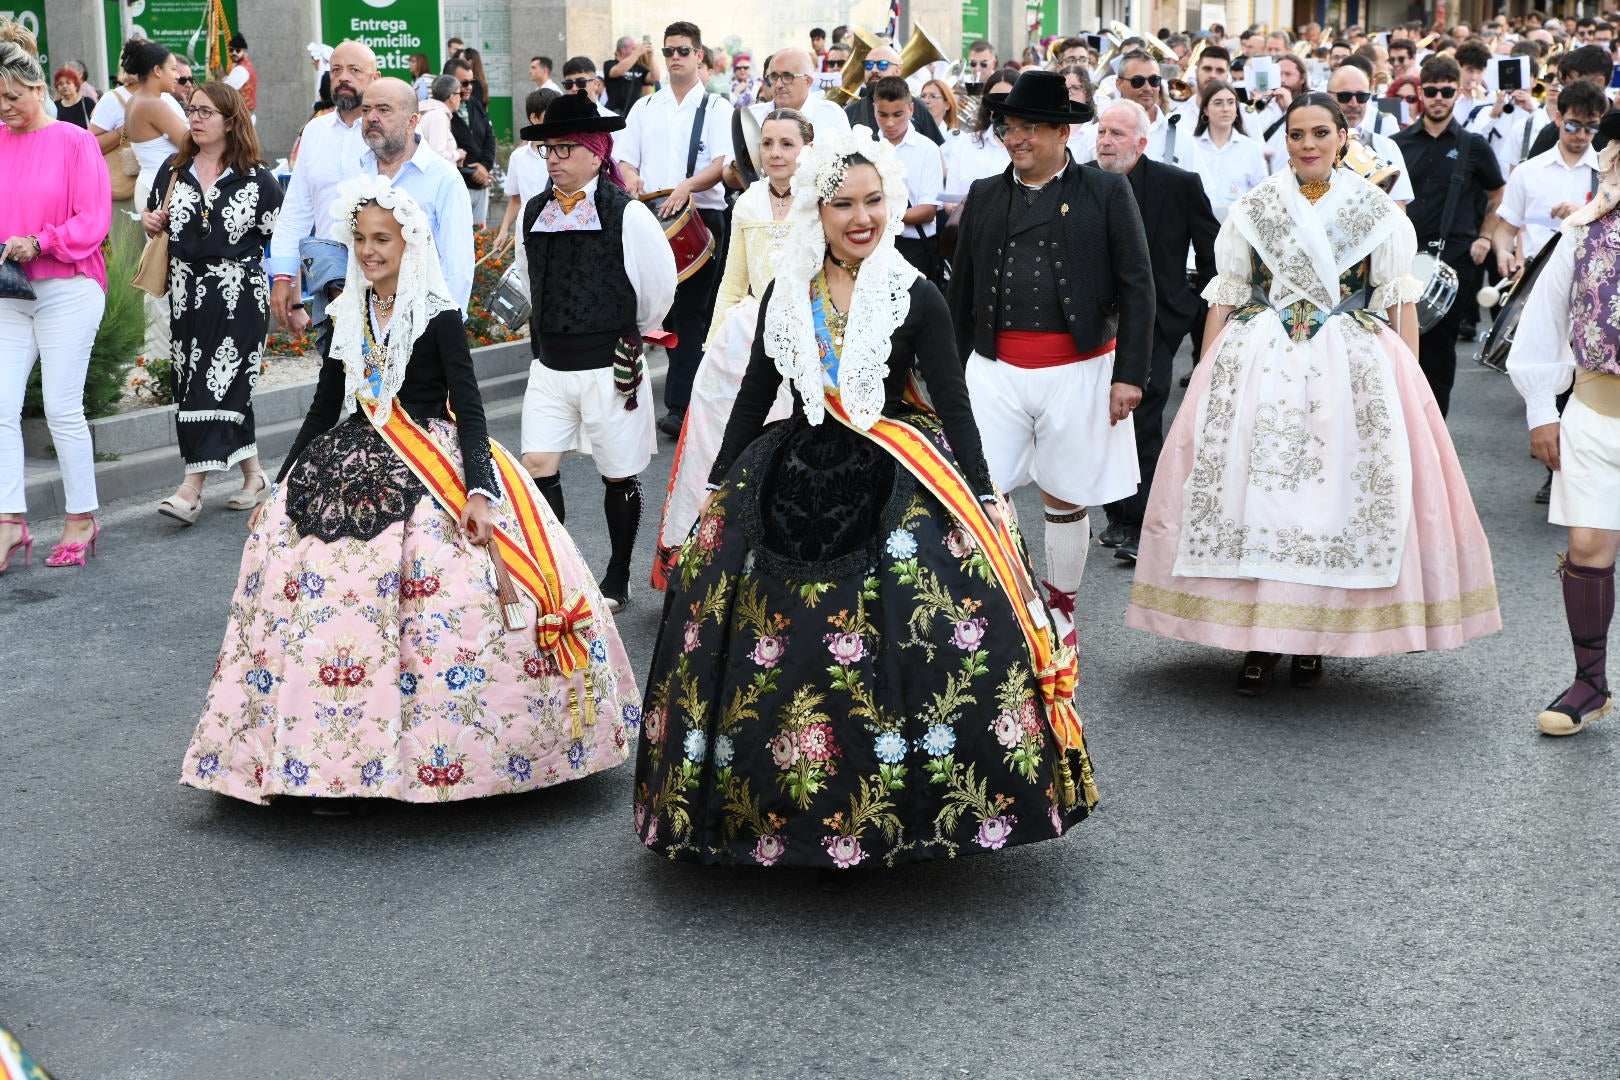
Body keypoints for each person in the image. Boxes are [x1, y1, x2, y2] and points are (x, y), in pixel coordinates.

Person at [633, 126, 1098, 870]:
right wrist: (716, 490)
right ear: (817, 212)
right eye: (843, 203)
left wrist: (984, 494)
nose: (862, 217)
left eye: (874, 201)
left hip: (898, 473)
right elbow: (756, 397)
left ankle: (904, 813)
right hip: (787, 472)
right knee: (766, 645)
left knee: (911, 639)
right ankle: (770, 814)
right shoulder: (787, 292)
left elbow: (952, 402)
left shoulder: (917, 294)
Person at [179, 179, 641, 807]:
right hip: (349, 452)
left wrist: (479, 489)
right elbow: (322, 408)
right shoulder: (346, 312)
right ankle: (314, 754)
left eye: (382, 240)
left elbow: (471, 410)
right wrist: (283, 481)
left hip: (430, 455)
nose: (369, 252)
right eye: (361, 240)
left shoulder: (438, 313)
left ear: (407, 242)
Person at [1126, 93, 1501, 693]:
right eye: (1297, 133)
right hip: (1261, 357)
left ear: (1342, 139)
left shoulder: (1376, 209)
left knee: (1334, 496)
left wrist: (1411, 380)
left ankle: (1316, 637)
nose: (1308, 144)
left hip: (1350, 359)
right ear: (1285, 141)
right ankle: (1257, 639)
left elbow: (1396, 298)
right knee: (1256, 494)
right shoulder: (1257, 206)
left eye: (1320, 133)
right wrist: (1207, 370)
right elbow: (1228, 291)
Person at [949, 71, 1152, 648]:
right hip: (995, 369)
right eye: (1009, 127)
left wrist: (1129, 375)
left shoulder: (1107, 192)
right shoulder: (985, 194)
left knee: (1064, 494)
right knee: (982, 492)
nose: (1015, 138)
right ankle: (1004, 603)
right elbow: (961, 292)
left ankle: (1061, 610)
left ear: (1063, 132)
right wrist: (953, 374)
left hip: (1080, 368)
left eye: (1028, 128)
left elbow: (1138, 286)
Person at [517, 93, 677, 612]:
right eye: (548, 149)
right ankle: (556, 571)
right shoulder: (535, 211)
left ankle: (616, 577)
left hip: (610, 365)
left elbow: (658, 287)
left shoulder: (626, 214)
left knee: (617, 473)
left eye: (565, 148)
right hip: (549, 364)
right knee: (537, 463)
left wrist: (633, 333)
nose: (555, 158)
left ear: (594, 150)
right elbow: (526, 276)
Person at [652, 107, 809, 588]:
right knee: (722, 447)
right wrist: (712, 347)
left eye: (787, 144)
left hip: (808, 336)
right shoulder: (747, 203)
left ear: (807, 148)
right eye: (768, 144)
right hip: (747, 338)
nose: (776, 153)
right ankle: (716, 563)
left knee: (793, 452)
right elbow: (732, 282)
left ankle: (787, 562)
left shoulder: (821, 199)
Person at [1507, 111, 1620, 736]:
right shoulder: (1583, 232)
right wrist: (1540, 411)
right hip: (1597, 413)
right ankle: (1590, 683)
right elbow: (1543, 322)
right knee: (1587, 549)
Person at [142, 81, 282, 525]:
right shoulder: (173, 168)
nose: (195, 118)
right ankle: (255, 476)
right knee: (202, 385)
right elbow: (154, 217)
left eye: (205, 111)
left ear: (230, 120)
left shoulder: (258, 178)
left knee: (214, 384)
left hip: (239, 295)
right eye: (192, 110)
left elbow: (281, 236)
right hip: (185, 297)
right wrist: (151, 222)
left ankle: (191, 488)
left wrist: (289, 293)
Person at [0, 41, 111, 573]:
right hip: (8, 292)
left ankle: (81, 516)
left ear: (39, 89)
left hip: (68, 285)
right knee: (0, 409)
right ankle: (9, 522)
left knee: (63, 408)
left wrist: (39, 242)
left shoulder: (73, 140)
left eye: (12, 96)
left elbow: (93, 221)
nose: (4, 106)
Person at [1092, 100, 1218, 564]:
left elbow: (1213, 255)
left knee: (1142, 420)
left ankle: (1140, 524)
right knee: (1100, 419)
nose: (1106, 141)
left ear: (1142, 143)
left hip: (1156, 323)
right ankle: (1118, 515)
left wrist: (1187, 309)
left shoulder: (1178, 185)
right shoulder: (1079, 179)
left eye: (1117, 134)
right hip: (1091, 327)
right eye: (1102, 131)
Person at [617, 20, 734, 440]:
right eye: (669, 52)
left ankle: (681, 405)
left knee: (691, 315)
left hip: (701, 219)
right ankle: (630, 400)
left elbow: (723, 163)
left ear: (700, 56)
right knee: (644, 312)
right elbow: (625, 157)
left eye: (684, 51)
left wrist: (686, 186)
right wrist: (630, 177)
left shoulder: (718, 108)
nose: (676, 58)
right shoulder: (645, 108)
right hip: (652, 221)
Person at [1392, 55, 1506, 417]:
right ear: (1421, 92)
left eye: (1446, 91)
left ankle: (1434, 434)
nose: (1438, 97)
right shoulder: (1397, 144)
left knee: (1440, 358)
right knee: (1397, 353)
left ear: (1458, 92)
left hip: (1453, 266)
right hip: (1401, 264)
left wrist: (1485, 237)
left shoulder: (1474, 146)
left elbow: (1498, 194)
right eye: (1431, 90)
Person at [269, 40, 377, 340]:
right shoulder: (315, 132)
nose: (343, 77)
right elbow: (297, 210)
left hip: (385, 283)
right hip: (330, 285)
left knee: (389, 382)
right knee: (334, 377)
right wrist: (283, 277)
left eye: (355, 70)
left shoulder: (390, 132)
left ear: (375, 78)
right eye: (337, 70)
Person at [355, 79, 474, 310]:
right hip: (363, 325)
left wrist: (446, 327)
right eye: (366, 110)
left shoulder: (443, 178)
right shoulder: (357, 172)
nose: (371, 118)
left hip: (423, 324)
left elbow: (457, 266)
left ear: (412, 122)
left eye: (383, 110)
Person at [871, 76, 943, 278]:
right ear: (874, 109)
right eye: (882, 115)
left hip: (915, 247)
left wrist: (879, 216)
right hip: (874, 245)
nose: (890, 123)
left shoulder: (928, 149)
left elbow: (928, 211)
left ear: (911, 110)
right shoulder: (866, 146)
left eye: (898, 114)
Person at [1329, 58, 1414, 206]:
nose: (1353, 103)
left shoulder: (1387, 146)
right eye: (1345, 96)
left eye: (1362, 97)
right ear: (1328, 96)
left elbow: (1399, 209)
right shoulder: (1312, 143)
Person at [1191, 79, 1268, 221]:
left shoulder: (1251, 149)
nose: (1225, 108)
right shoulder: (1192, 146)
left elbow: (1263, 195)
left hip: (1238, 227)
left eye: (1231, 102)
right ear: (1206, 109)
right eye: (1218, 103)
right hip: (1199, 226)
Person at [493, 87, 559, 252]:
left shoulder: (564, 154)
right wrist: (503, 230)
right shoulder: (518, 156)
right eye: (549, 115)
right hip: (527, 235)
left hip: (558, 232)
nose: (556, 120)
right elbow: (516, 201)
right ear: (534, 118)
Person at [842, 41, 945, 144]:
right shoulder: (850, 112)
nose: (873, 69)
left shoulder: (919, 108)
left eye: (882, 64)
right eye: (868, 65)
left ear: (898, 70)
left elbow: (936, 151)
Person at [1116, 49, 1200, 169]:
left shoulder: (1183, 139)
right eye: (1138, 81)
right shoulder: (1096, 135)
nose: (1147, 87)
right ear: (1119, 84)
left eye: (1154, 80)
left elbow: (1202, 187)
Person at [943, 67, 1016, 192]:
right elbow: (950, 203)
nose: (1001, 105)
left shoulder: (1032, 145)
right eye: (995, 99)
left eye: (1008, 98)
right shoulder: (964, 144)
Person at [445, 57, 495, 228]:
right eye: (464, 83)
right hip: (456, 188)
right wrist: (471, 171)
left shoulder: (475, 103)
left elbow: (490, 137)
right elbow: (440, 153)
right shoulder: (439, 113)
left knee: (480, 240)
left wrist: (484, 167)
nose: (469, 87)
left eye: (471, 82)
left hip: (481, 186)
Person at [604, 35, 660, 115]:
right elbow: (616, 71)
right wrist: (636, 54)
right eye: (633, 48)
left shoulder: (638, 68)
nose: (637, 50)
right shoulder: (609, 64)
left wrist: (651, 56)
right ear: (623, 50)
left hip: (634, 115)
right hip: (614, 114)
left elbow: (655, 77)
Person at [416, 73, 461, 166]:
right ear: (452, 97)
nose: (460, 98)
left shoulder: (434, 113)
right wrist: (458, 154)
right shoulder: (438, 115)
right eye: (459, 93)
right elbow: (438, 155)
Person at [221, 34, 257, 119]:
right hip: (243, 115)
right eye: (231, 50)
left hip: (242, 117)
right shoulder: (242, 66)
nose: (234, 53)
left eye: (237, 50)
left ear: (244, 52)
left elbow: (225, 90)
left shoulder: (241, 69)